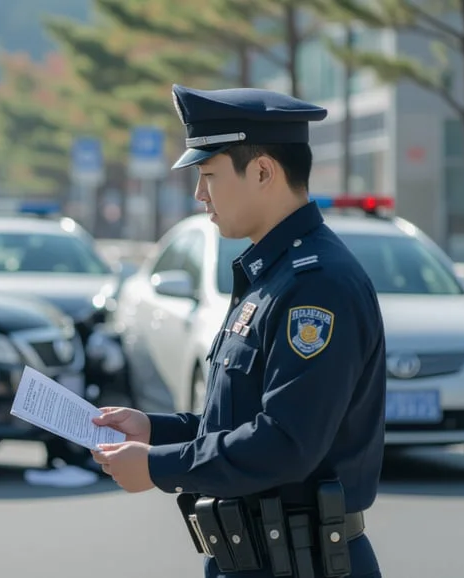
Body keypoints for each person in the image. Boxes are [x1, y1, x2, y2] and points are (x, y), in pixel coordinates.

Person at [90, 85, 386, 578]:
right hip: (255, 558)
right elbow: (238, 421)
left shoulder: (316, 285)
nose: (199, 194)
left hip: (304, 564)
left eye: (208, 175)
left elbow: (286, 441)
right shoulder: (272, 274)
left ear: (264, 171)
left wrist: (159, 467)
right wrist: (153, 430)